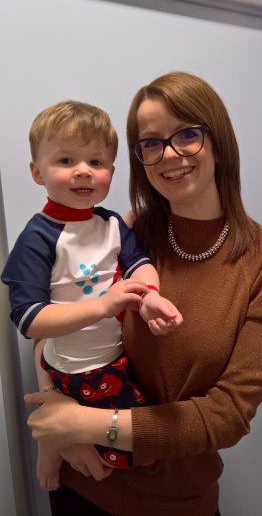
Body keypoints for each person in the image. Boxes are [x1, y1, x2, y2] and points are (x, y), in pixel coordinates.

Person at [25, 71, 262, 516]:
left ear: (219, 144)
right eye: (151, 143)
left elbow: (229, 415)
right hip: (84, 483)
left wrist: (83, 423)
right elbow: (53, 328)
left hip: (178, 502)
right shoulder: (123, 232)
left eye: (187, 134)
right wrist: (59, 422)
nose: (170, 155)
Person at [1, 100, 183, 492]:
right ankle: (52, 444)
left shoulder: (112, 224)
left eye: (96, 163)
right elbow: (29, 319)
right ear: (37, 172)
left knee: (127, 447)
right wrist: (102, 305)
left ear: (111, 173)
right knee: (119, 457)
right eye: (66, 160)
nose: (84, 171)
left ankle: (59, 439)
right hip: (70, 370)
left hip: (113, 359)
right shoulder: (38, 237)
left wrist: (149, 296)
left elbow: (139, 265)